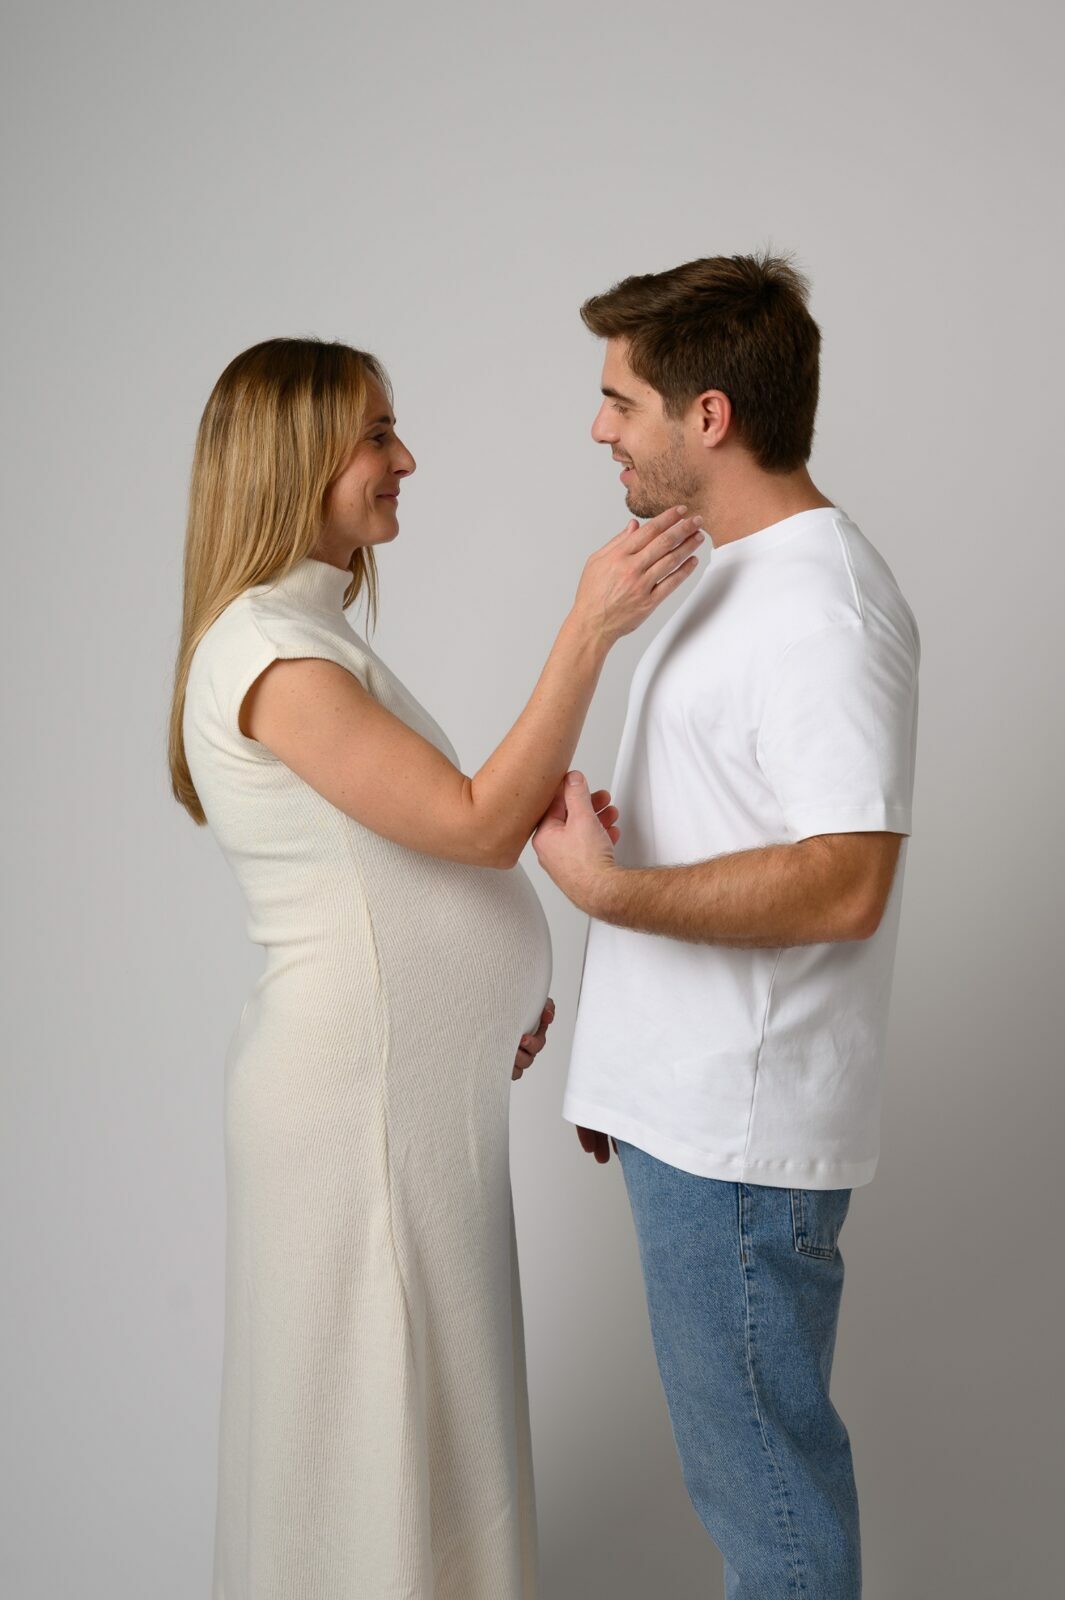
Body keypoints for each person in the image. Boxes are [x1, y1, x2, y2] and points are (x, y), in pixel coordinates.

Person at [167, 336, 704, 1600]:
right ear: (297, 458)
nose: (405, 458)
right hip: (355, 1114)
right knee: (368, 1447)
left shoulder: (304, 630)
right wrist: (589, 629)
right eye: (376, 435)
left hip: (402, 1099)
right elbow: (469, 821)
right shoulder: (266, 652)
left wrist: (484, 977)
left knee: (419, 1442)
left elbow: (416, 853)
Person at [532, 253, 920, 1600]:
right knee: (747, 1488)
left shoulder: (825, 604)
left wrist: (605, 893)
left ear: (709, 416)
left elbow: (842, 880)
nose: (599, 427)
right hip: (687, 1119)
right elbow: (736, 830)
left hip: (736, 1144)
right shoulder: (725, 575)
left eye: (621, 400)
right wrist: (620, 1066)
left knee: (768, 1508)